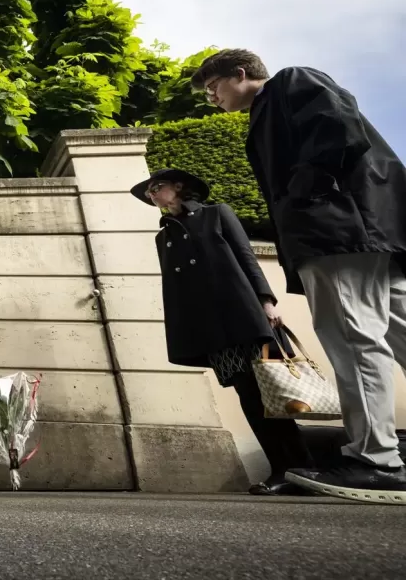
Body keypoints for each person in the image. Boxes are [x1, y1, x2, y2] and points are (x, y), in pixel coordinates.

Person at [191, 48, 406, 503]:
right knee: (398, 332)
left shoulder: (290, 82)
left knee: (353, 339)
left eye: (213, 88)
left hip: (337, 234)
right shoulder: (270, 110)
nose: (211, 99)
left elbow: (338, 128)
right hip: (364, 232)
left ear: (241, 74)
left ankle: (377, 461)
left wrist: (304, 194)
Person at [131, 168, 313, 495]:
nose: (151, 194)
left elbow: (247, 258)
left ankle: (303, 468)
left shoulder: (217, 214)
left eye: (156, 187)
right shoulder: (164, 236)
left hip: (246, 316)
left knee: (273, 391)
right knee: (247, 394)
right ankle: (281, 470)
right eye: (149, 192)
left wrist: (267, 302)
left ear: (179, 187)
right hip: (211, 327)